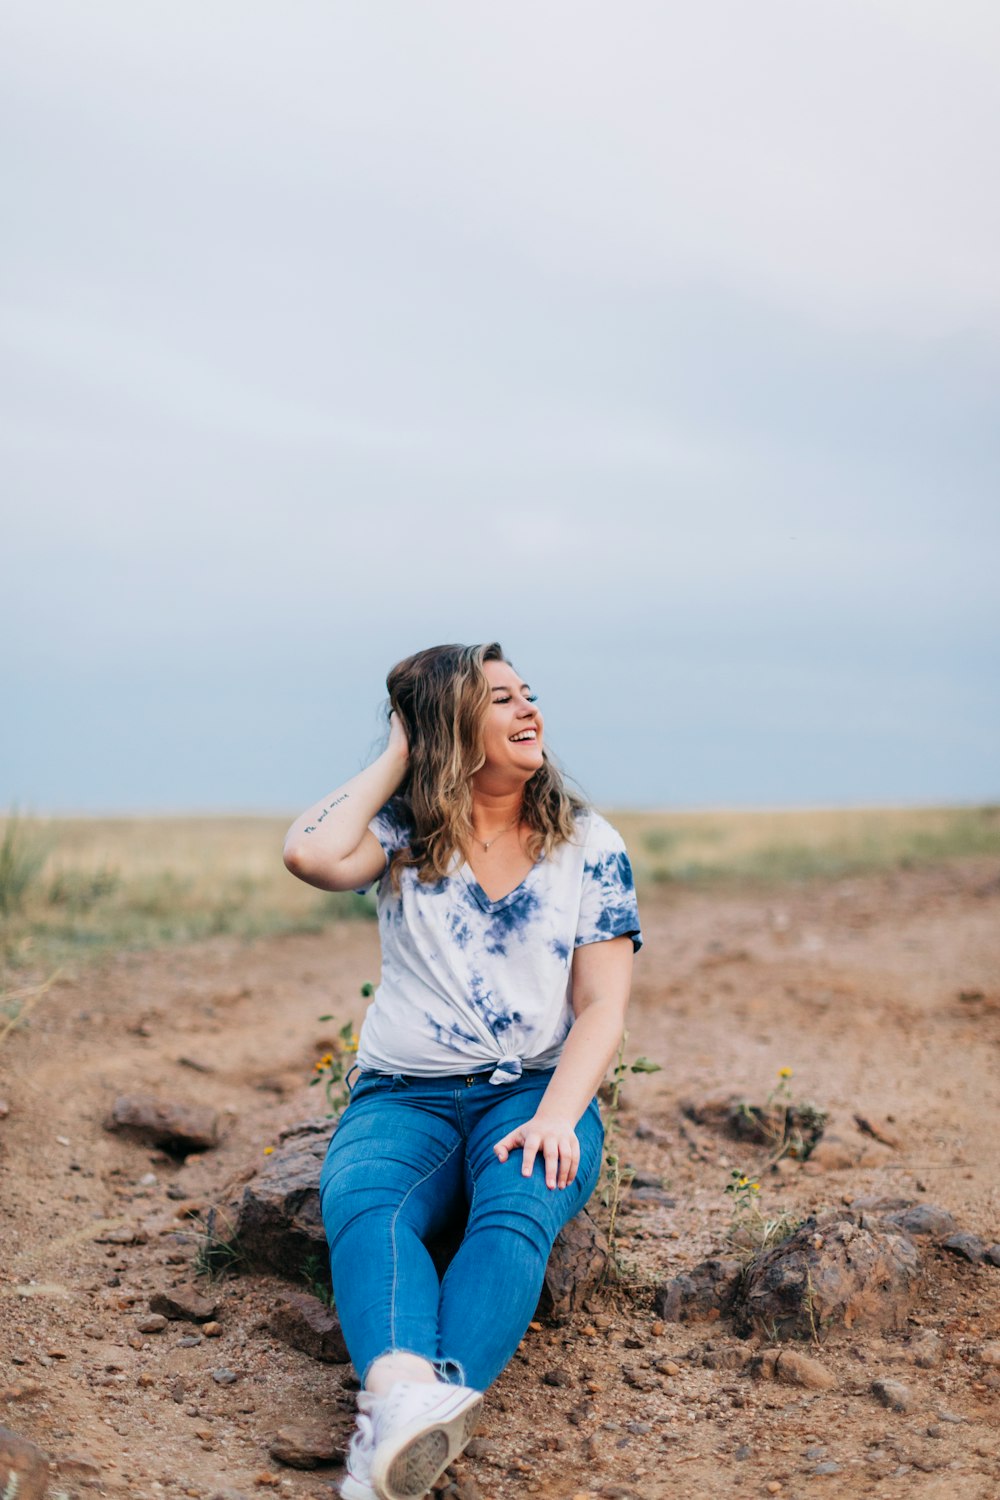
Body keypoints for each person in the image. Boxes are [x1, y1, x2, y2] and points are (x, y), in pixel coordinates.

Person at [283, 641, 643, 1500]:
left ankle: (401, 1418)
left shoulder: (587, 843)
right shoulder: (404, 832)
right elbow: (310, 855)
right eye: (500, 700)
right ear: (449, 726)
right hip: (403, 1093)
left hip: (532, 1088)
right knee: (365, 1202)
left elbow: (602, 1006)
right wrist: (401, 750)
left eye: (530, 695)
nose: (529, 711)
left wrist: (559, 1117)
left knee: (519, 1204)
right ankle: (408, 1411)